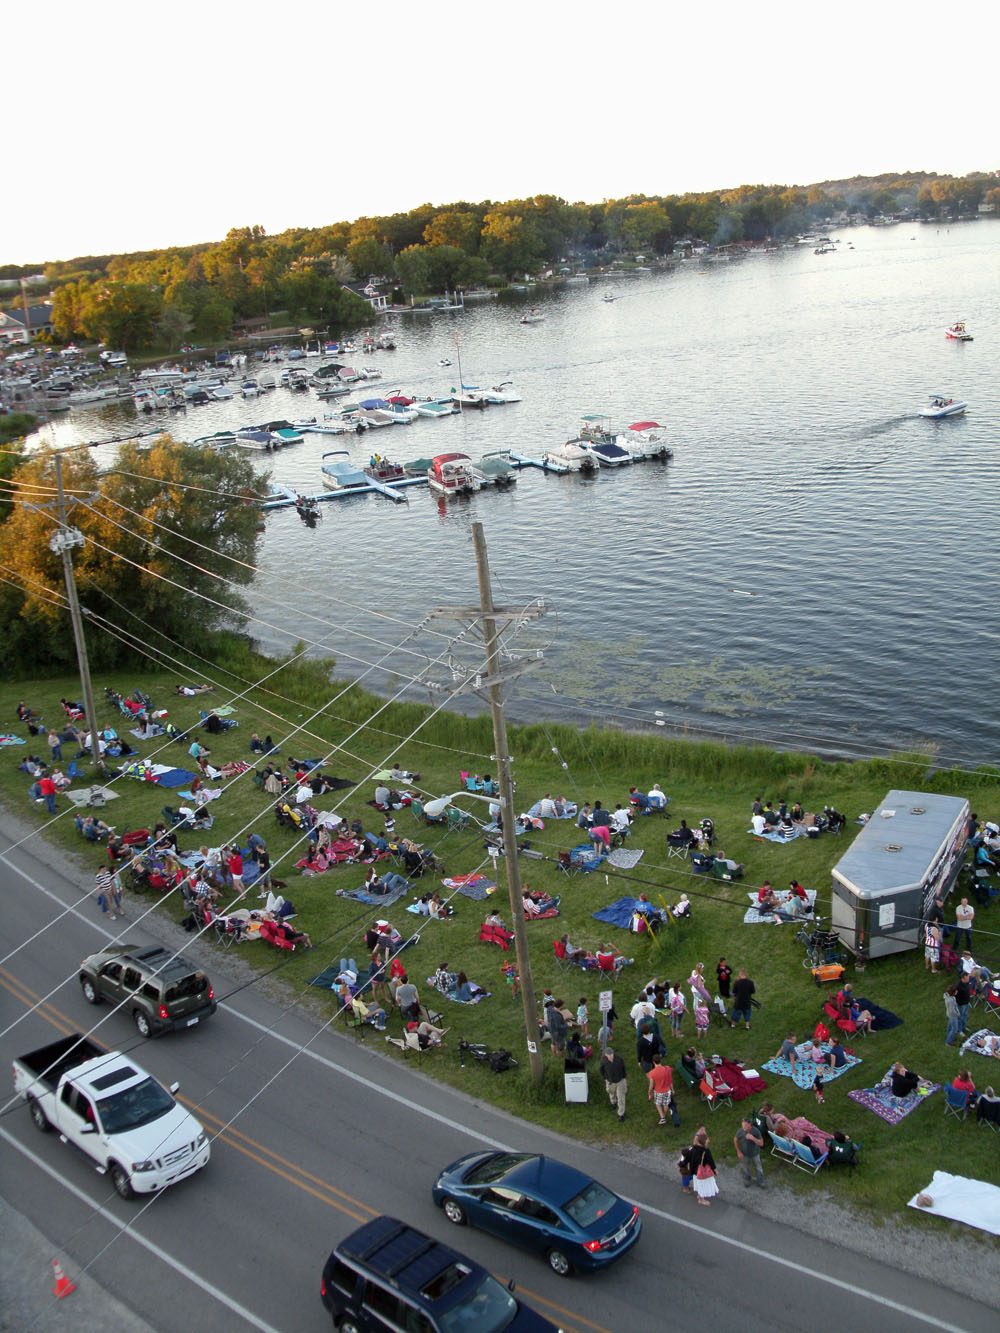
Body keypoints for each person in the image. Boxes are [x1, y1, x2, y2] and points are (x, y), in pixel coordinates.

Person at [647, 1053, 680, 1127]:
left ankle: (662, 1117)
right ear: (660, 1060)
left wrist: (649, 1092)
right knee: (666, 1104)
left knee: (658, 1103)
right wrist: (672, 1089)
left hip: (658, 1091)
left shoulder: (652, 1073)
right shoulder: (667, 1069)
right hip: (667, 1090)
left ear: (653, 1062)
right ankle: (664, 1115)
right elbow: (670, 1080)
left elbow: (651, 1085)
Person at [734, 1116, 766, 1188]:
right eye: (742, 1126)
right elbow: (735, 1139)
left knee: (758, 1167)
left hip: (755, 1154)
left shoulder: (756, 1131)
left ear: (750, 1124)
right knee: (746, 1167)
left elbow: (761, 1143)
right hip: (745, 1154)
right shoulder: (740, 1131)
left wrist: (753, 1138)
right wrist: (738, 1151)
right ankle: (748, 1180)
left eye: (745, 1126)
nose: (743, 1127)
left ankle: (761, 1181)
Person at [599, 1044, 628, 1122]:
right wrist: (605, 1078)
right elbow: (601, 1070)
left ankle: (621, 1114)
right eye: (609, 1055)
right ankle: (613, 1102)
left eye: (612, 1054)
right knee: (611, 1092)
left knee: (621, 1097)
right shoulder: (603, 1061)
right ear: (605, 1055)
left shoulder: (619, 1059)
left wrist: (623, 1077)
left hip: (620, 1081)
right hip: (610, 1081)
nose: (611, 1056)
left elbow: (624, 1068)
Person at [689, 1132, 718, 1207]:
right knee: (703, 1185)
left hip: (696, 1171)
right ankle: (701, 1199)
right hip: (703, 1171)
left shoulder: (693, 1148)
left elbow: (691, 1159)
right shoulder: (706, 1151)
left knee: (699, 1184)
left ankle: (699, 1196)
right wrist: (715, 1170)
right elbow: (711, 1161)